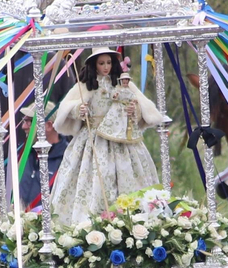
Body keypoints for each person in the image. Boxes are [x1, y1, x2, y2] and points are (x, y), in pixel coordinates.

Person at [48, 48, 165, 222]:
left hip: (122, 140)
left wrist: (135, 110)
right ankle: (89, 219)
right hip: (91, 141)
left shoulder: (123, 83)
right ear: (94, 65)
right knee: (92, 177)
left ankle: (133, 218)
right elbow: (67, 108)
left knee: (127, 175)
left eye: (109, 63)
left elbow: (140, 105)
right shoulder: (84, 86)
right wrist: (78, 109)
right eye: (101, 63)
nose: (106, 67)